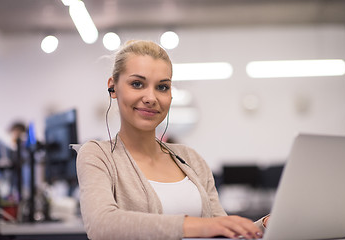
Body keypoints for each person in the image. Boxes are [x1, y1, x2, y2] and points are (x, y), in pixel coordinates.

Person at [76, 40, 269, 240]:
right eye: (137, 84)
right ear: (113, 88)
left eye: (162, 87)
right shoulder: (97, 155)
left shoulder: (190, 158)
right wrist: (194, 226)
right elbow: (101, 224)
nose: (151, 97)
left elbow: (221, 230)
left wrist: (263, 226)